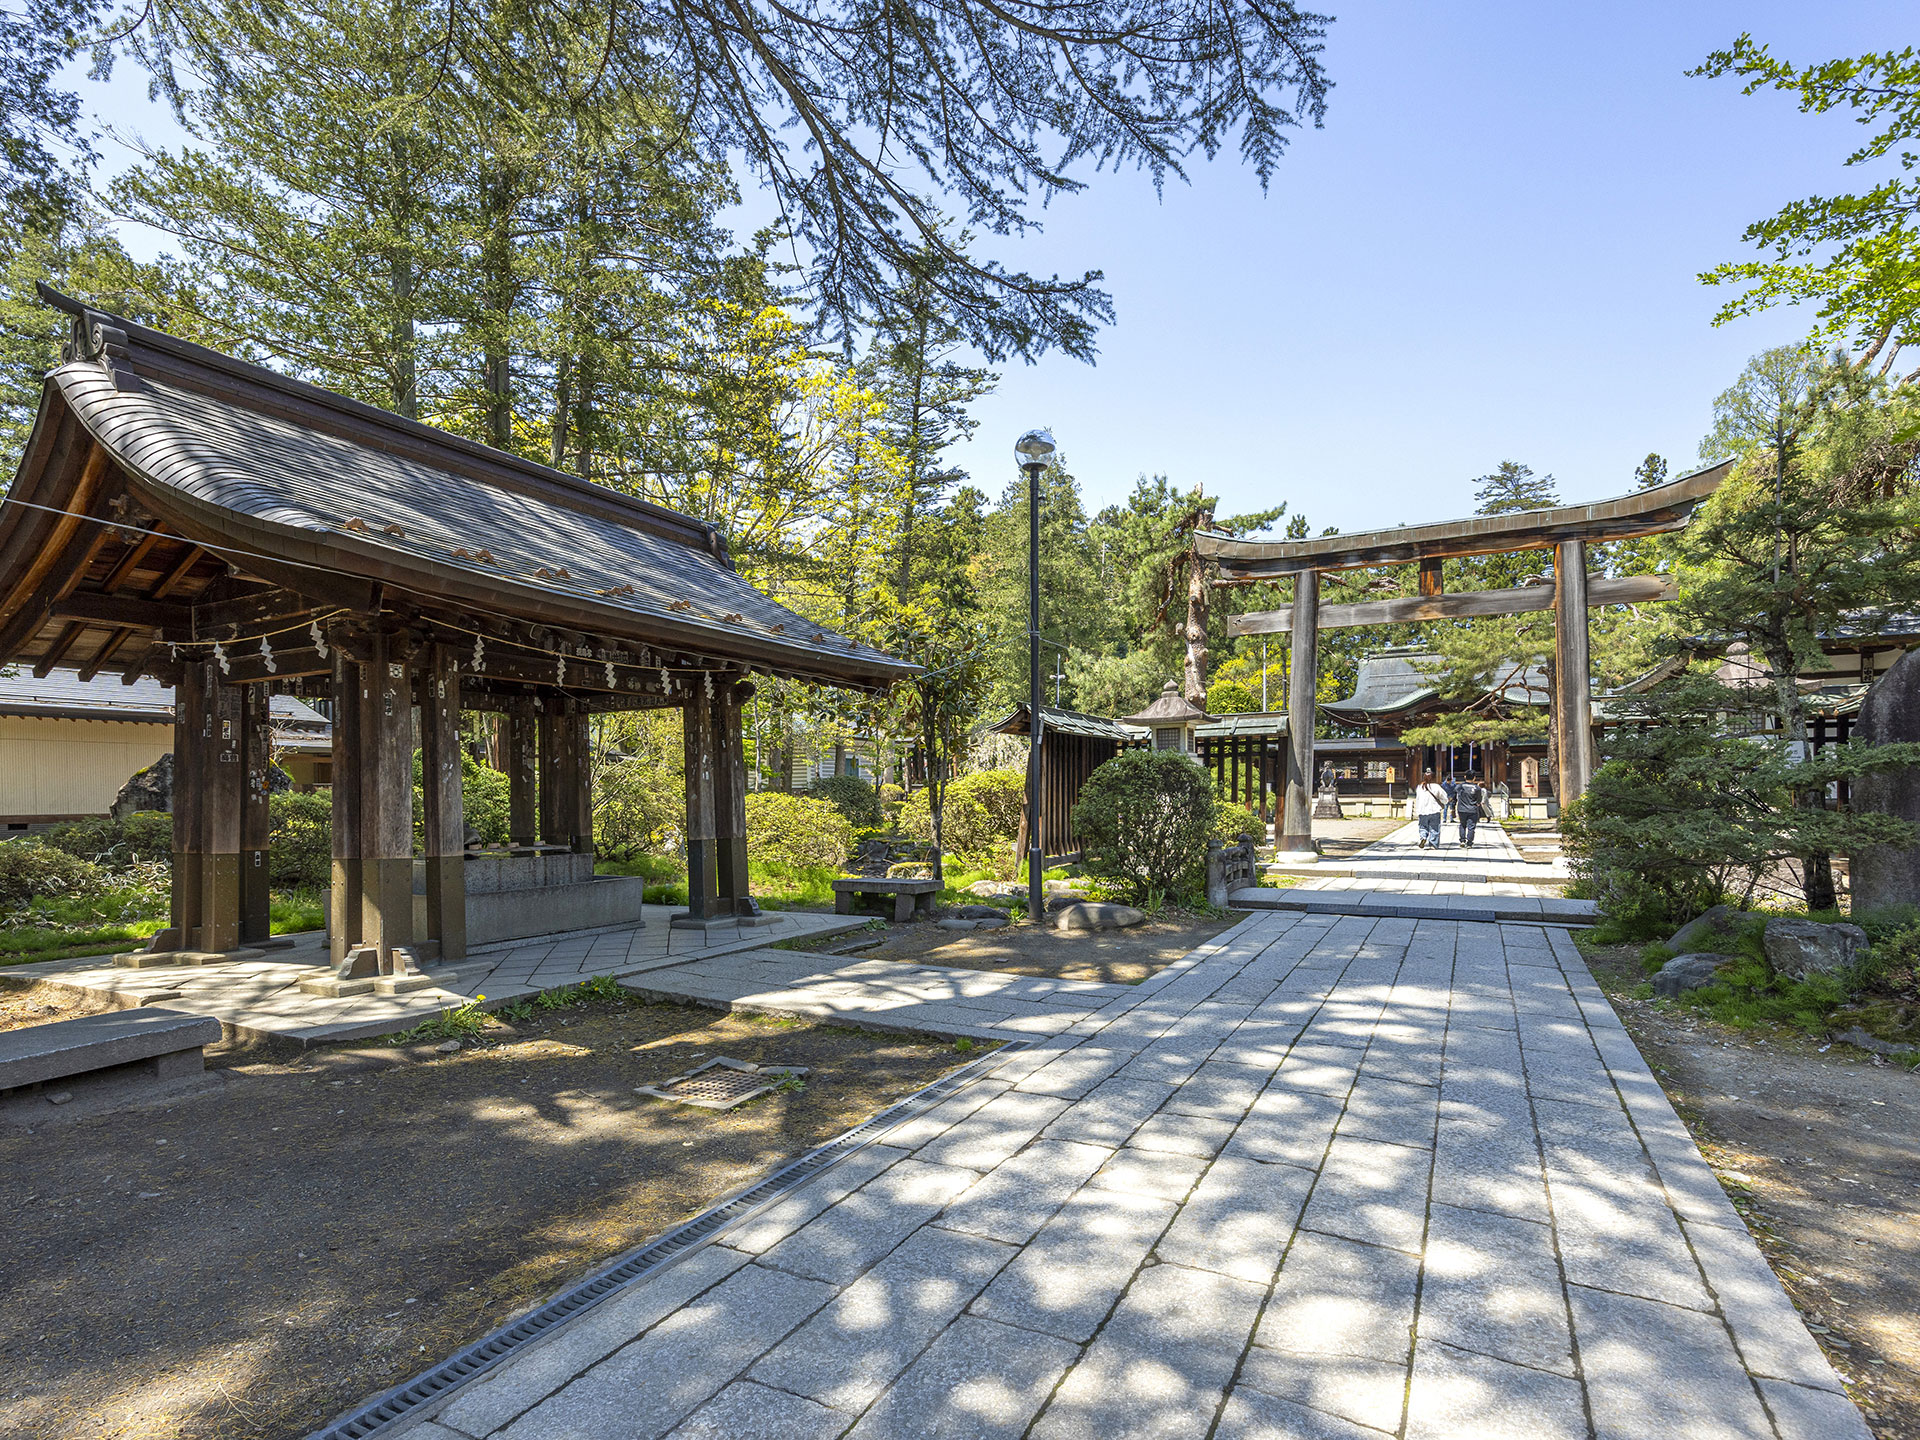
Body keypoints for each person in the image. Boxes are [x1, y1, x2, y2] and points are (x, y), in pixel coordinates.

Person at [1412, 775, 1448, 848]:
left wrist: (1417, 809)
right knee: (1434, 827)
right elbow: (1443, 796)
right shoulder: (1436, 787)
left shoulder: (1419, 787)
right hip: (1434, 809)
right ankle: (1433, 844)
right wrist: (1445, 802)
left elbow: (1418, 798)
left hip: (1422, 810)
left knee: (1423, 826)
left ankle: (1423, 837)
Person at [1455, 772, 1487, 847]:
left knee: (1462, 824)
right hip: (1472, 809)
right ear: (1474, 778)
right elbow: (1479, 799)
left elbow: (1455, 795)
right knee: (1471, 826)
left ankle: (1462, 840)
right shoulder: (1477, 788)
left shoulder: (1460, 786)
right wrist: (1477, 803)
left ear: (1465, 777)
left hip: (1462, 808)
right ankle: (1469, 842)